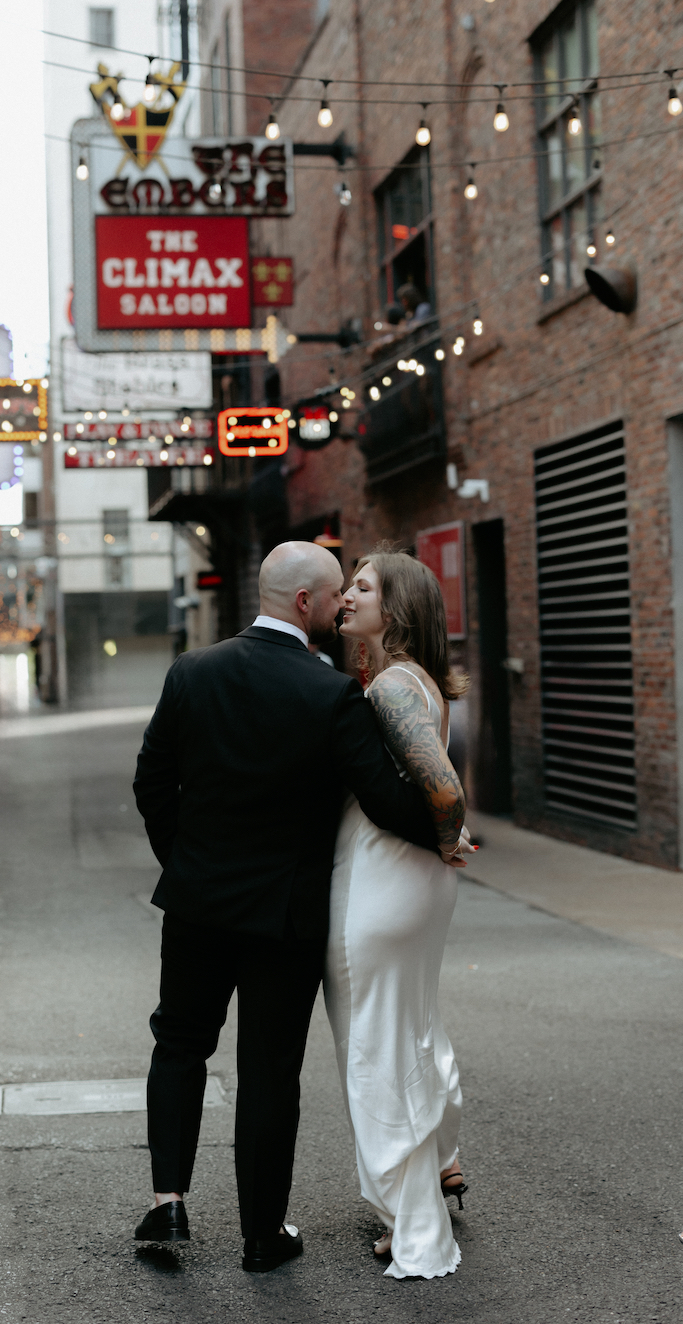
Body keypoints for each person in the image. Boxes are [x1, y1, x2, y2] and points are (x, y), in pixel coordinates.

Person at [132, 541, 439, 1273]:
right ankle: (261, 1235)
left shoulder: (191, 672)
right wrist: (446, 825)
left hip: (198, 902)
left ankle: (168, 1200)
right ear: (306, 603)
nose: (340, 608)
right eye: (336, 595)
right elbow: (387, 798)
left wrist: (186, 861)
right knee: (269, 1070)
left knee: (179, 1044)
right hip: (284, 915)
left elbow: (152, 782)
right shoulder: (329, 692)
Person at [327, 545, 472, 1280]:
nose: (345, 595)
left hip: (385, 881)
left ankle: (413, 1223)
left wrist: (451, 836)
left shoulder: (389, 687)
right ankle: (434, 1168)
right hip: (413, 883)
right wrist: (445, 844)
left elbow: (443, 789)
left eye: (361, 586)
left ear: (398, 607)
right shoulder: (413, 681)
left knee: (373, 1048)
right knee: (409, 1028)